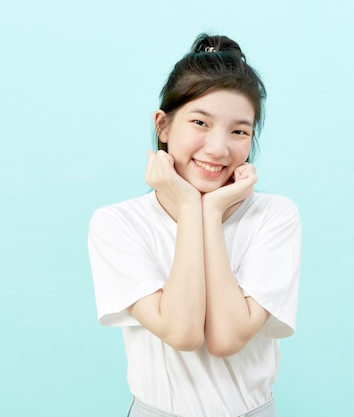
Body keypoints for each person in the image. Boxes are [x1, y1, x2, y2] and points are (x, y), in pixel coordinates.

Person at [88, 33, 301, 417]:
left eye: (239, 131)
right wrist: (191, 207)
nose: (219, 148)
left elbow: (226, 337)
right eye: (200, 122)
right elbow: (182, 332)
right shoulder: (118, 224)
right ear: (164, 126)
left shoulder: (274, 216)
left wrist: (212, 209)